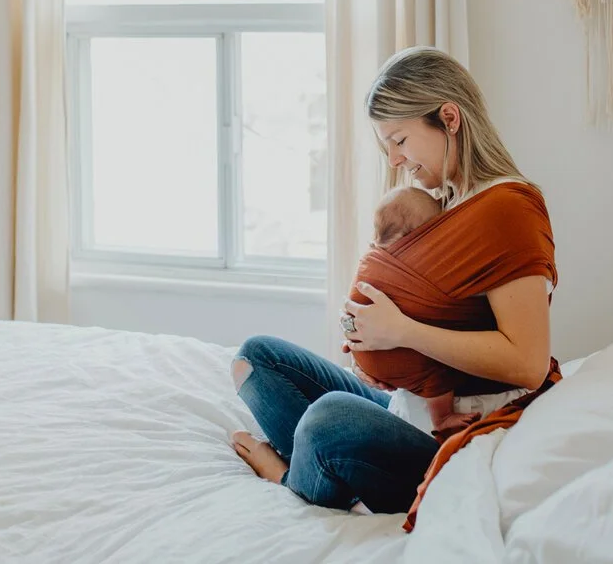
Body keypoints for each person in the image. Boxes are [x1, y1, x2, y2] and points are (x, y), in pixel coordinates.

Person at [229, 46, 561, 524]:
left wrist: (399, 333)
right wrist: (369, 337)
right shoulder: (445, 199)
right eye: (387, 145)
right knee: (258, 358)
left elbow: (527, 363)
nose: (395, 159)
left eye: (400, 139)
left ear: (449, 117)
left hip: (458, 436)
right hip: (414, 408)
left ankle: (290, 477)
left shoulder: (508, 209)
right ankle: (321, 460)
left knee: (330, 419)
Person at [361, 185, 476, 439]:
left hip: (366, 355)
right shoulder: (412, 267)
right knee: (435, 364)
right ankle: (443, 417)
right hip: (393, 358)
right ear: (414, 237)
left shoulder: (371, 256)